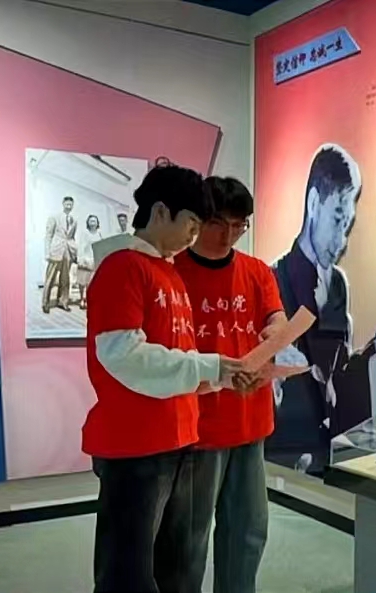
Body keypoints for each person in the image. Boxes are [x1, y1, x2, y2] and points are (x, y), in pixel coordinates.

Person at [82, 162, 248, 593]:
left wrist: (220, 376)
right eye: (192, 222)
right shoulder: (122, 267)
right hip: (135, 444)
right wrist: (208, 367)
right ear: (160, 212)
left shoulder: (169, 272)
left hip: (179, 438)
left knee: (176, 566)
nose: (195, 234)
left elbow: (178, 356)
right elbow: (124, 356)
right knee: (128, 571)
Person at [174, 176, 286, 593]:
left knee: (248, 531)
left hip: (250, 422)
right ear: (198, 219)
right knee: (190, 538)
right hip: (198, 429)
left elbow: (275, 318)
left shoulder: (257, 272)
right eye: (219, 223)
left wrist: (275, 334)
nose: (228, 235)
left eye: (239, 226)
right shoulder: (173, 273)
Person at [267, 144, 376, 476]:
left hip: (332, 452)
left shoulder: (338, 284)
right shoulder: (272, 281)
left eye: (348, 223)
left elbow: (339, 371)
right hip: (285, 458)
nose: (342, 239)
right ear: (314, 203)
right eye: (337, 219)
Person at [42, 196, 77, 314]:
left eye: (71, 204)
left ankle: (63, 301)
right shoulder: (54, 217)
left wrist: (74, 251)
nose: (69, 206)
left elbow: (72, 237)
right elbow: (48, 235)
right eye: (67, 204)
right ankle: (45, 303)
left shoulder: (74, 220)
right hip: (56, 251)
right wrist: (47, 252)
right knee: (50, 278)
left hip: (67, 252)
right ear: (63, 204)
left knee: (65, 278)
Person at [76, 214, 103, 309]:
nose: (93, 223)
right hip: (85, 259)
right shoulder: (85, 233)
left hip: (95, 260)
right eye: (91, 221)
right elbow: (81, 247)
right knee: (82, 281)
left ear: (97, 223)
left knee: (91, 282)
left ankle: (88, 299)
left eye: (94, 221)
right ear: (88, 222)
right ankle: (81, 299)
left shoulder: (99, 234)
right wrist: (80, 259)